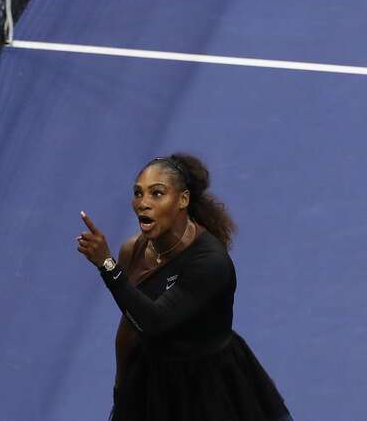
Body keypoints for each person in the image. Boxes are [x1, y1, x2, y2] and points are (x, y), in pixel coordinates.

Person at [76, 153, 292, 421]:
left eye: (157, 194)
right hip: (153, 383)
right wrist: (121, 388)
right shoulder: (133, 250)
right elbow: (130, 325)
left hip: (211, 388)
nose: (143, 203)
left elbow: (154, 321)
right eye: (138, 193)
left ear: (183, 200)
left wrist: (107, 265)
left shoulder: (210, 263)